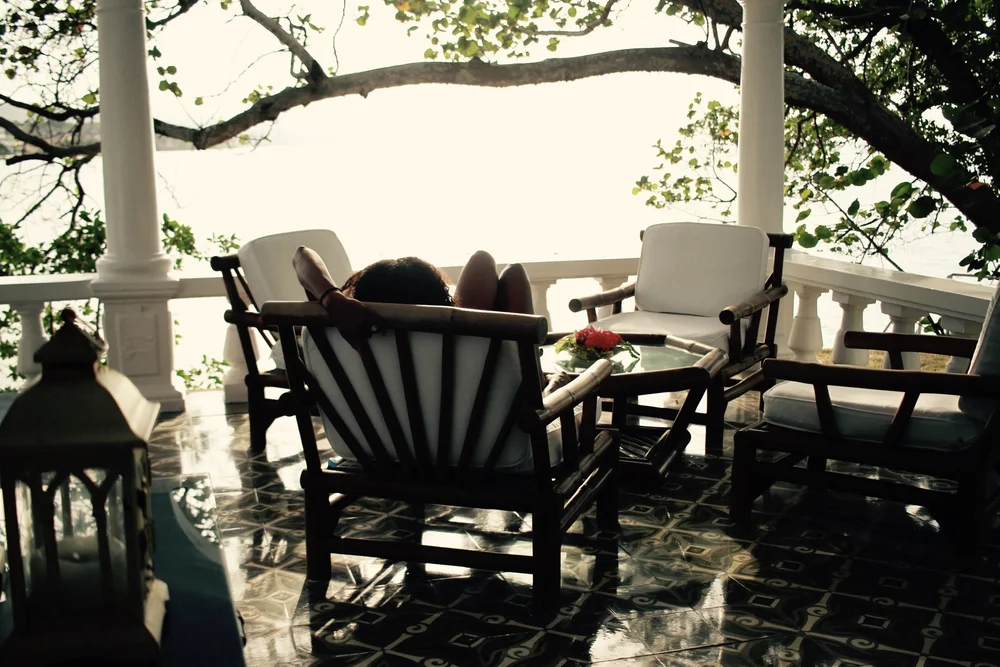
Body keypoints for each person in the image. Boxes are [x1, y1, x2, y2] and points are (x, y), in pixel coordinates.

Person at [293, 246, 533, 351]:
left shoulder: (337, 338)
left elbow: (301, 255)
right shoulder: (466, 349)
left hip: (373, 439)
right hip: (486, 440)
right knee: (497, 265)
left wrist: (331, 297)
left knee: (488, 261)